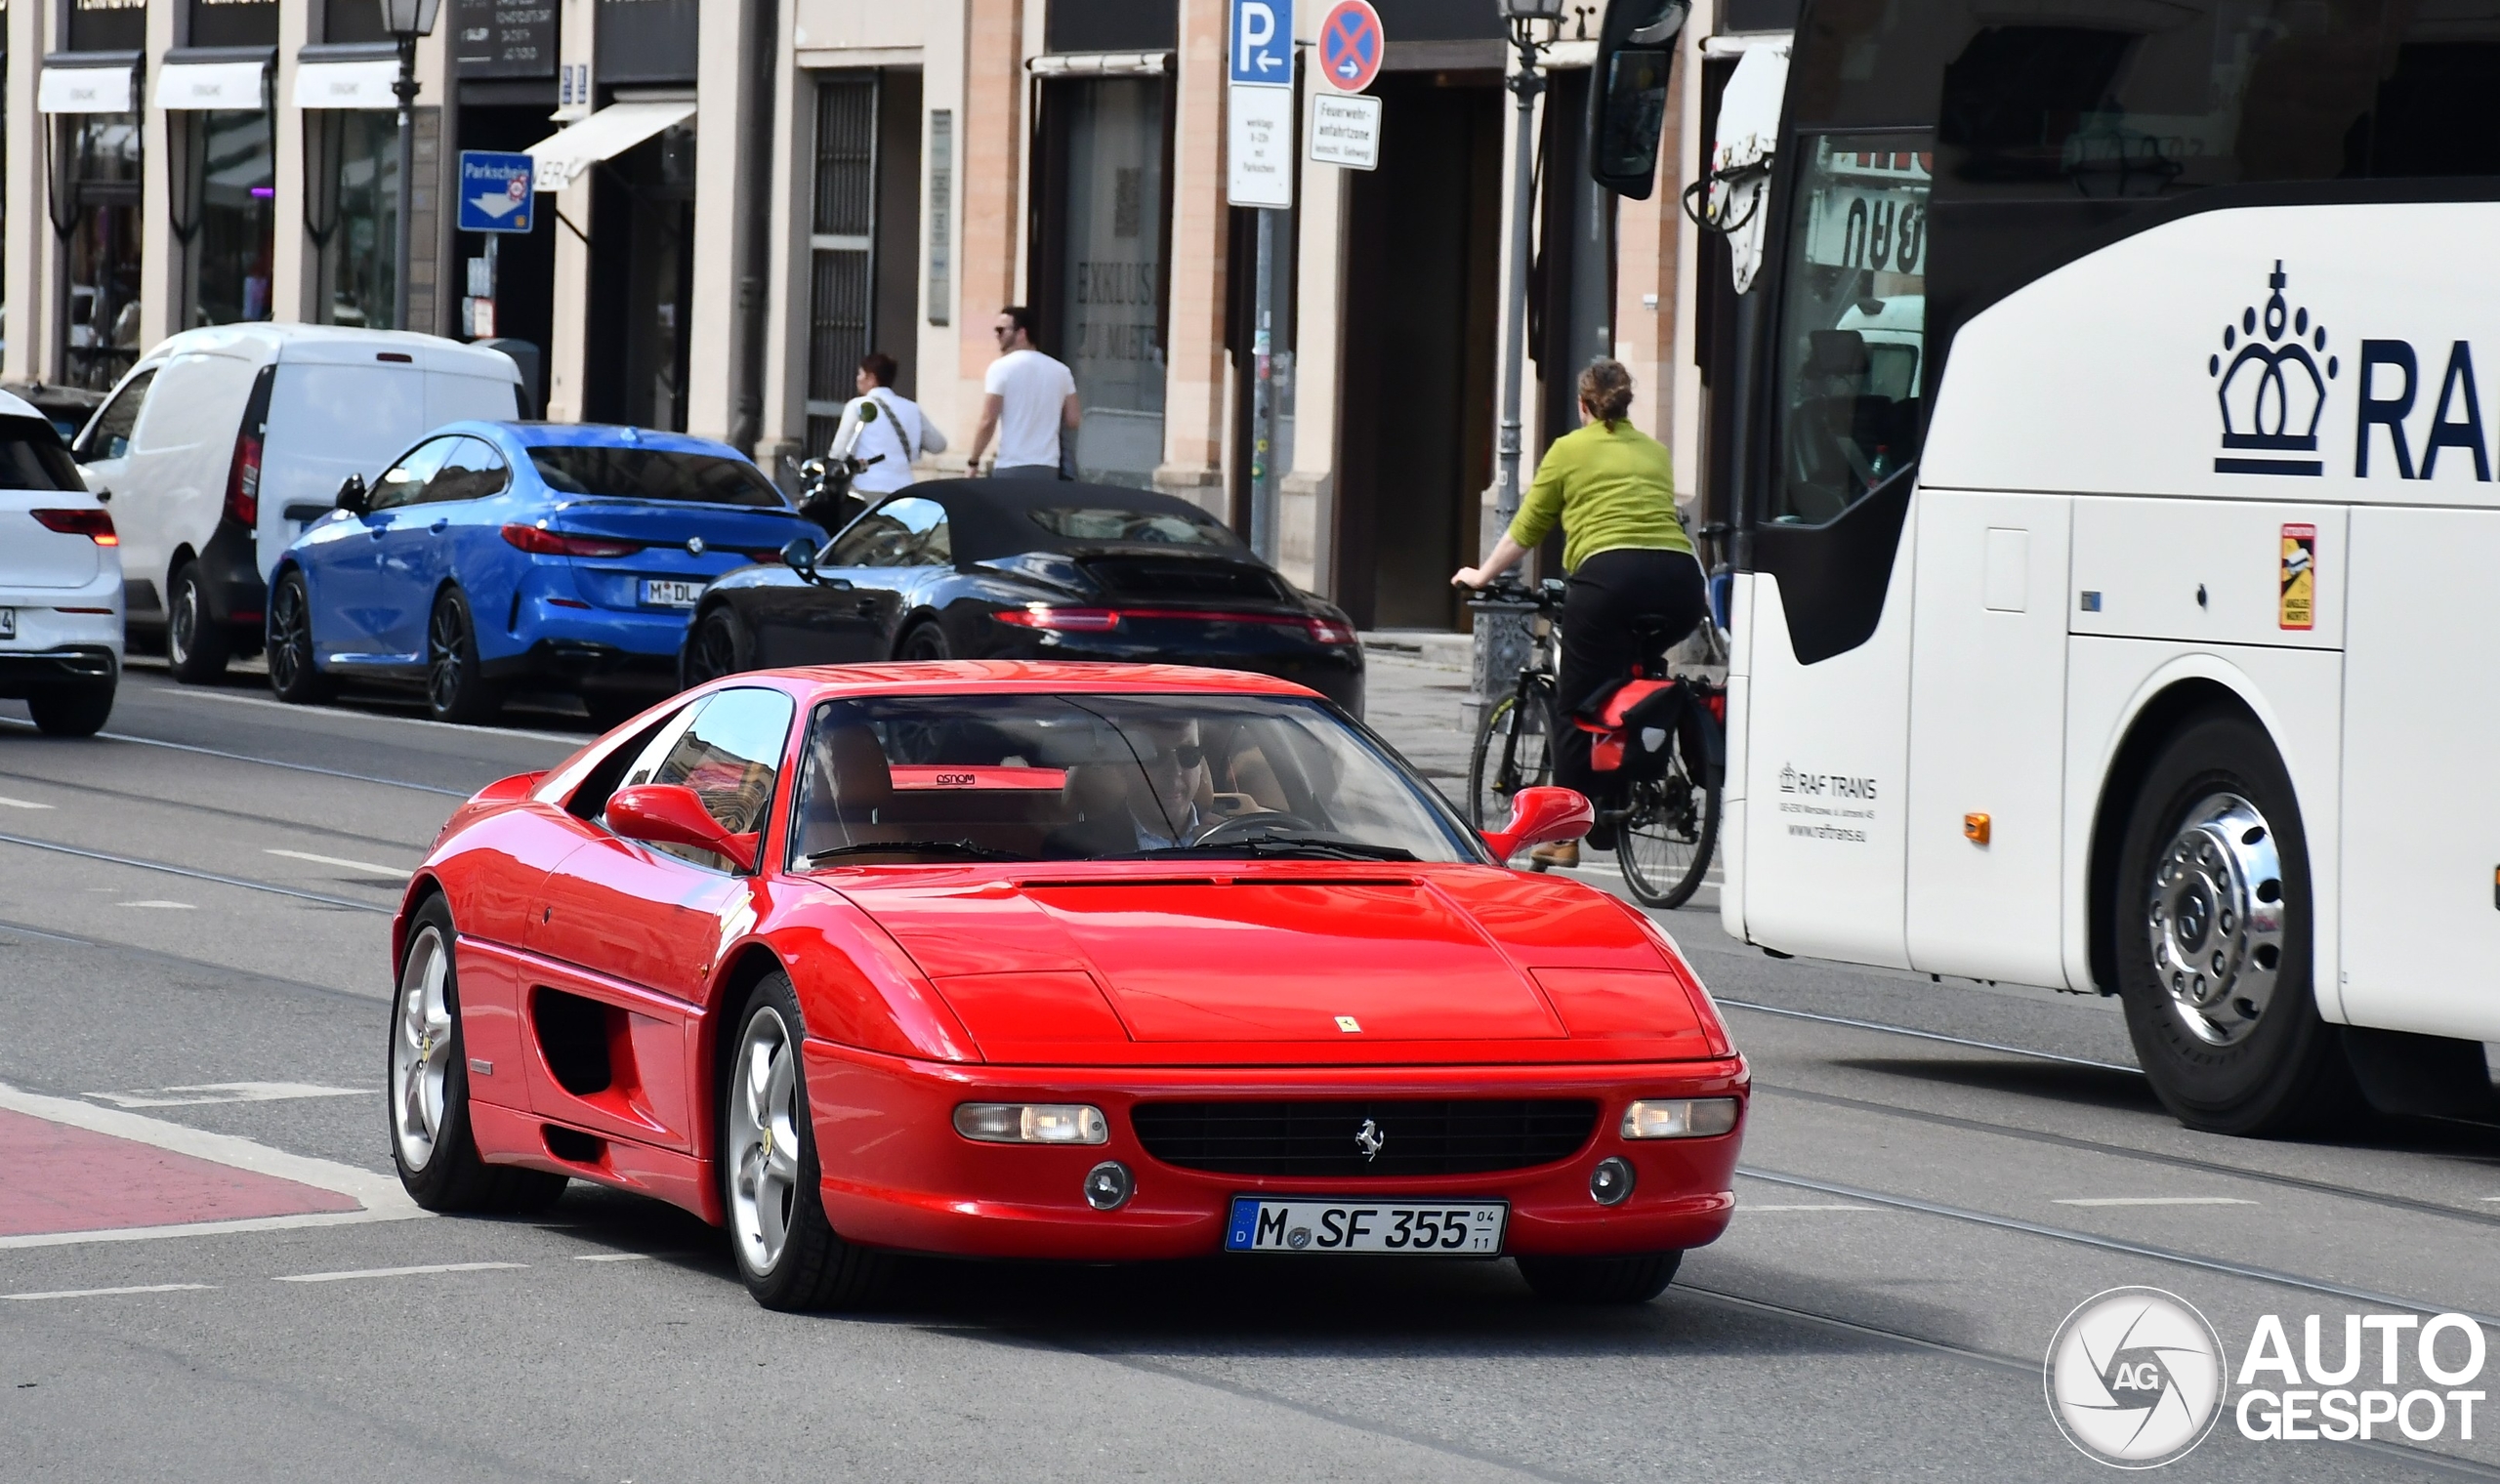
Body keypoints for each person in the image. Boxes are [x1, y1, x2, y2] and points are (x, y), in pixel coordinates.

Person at [1452, 357, 1705, 869]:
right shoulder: (1654, 452)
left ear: (1582, 404)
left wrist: (1481, 575)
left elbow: (1528, 528)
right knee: (1625, 678)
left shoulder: (1569, 450)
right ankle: (1623, 790)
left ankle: (1564, 836)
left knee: (1575, 706)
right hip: (1681, 585)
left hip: (1610, 582)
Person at [967, 306, 1080, 478]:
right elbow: (1073, 420)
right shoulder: (1061, 371)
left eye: (1001, 330)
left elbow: (988, 420)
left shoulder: (1001, 368)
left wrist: (973, 461)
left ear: (1021, 333)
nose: (997, 336)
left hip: (1011, 465)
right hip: (1048, 468)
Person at [830, 352, 946, 498]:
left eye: (860, 374)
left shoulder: (858, 406)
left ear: (872, 378)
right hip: (904, 489)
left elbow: (839, 451)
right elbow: (938, 445)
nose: (857, 379)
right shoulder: (912, 408)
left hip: (867, 487)